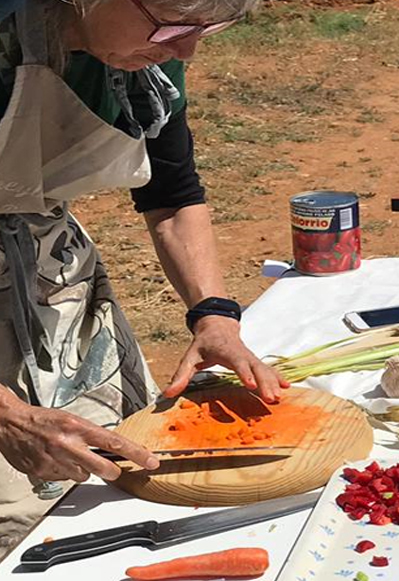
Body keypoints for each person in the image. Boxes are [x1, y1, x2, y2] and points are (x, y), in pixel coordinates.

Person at [0, 0, 289, 552]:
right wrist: (8, 414)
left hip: (49, 278)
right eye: (176, 27)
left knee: (117, 476)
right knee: (15, 524)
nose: (186, 49)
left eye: (211, 28)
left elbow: (173, 197)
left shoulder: (141, 56)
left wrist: (215, 316)